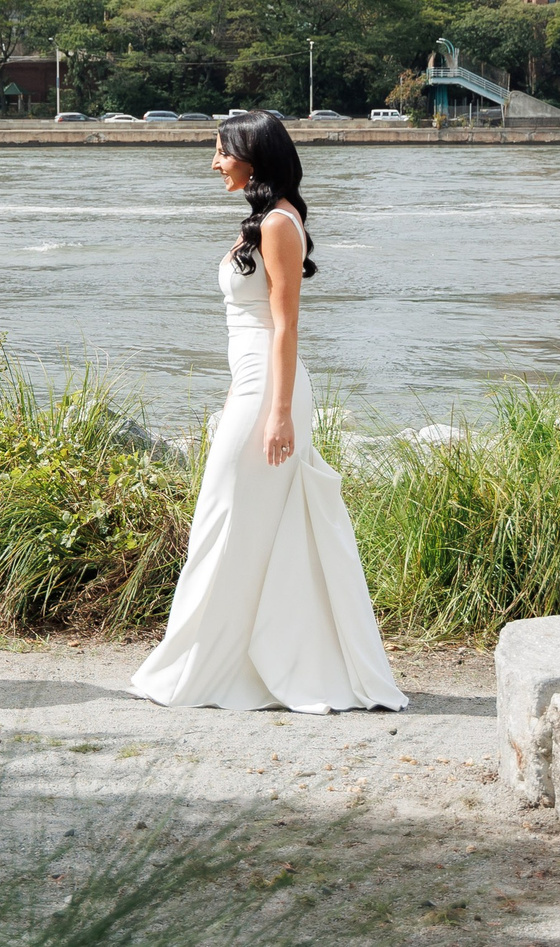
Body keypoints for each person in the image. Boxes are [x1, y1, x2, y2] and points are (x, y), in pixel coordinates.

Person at [129, 111, 406, 714]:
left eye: (222, 150)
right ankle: (229, 662)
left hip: (271, 390)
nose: (214, 161)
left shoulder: (280, 222)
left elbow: (285, 325)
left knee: (228, 517)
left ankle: (215, 668)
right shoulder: (260, 222)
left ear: (253, 155)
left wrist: (278, 412)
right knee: (237, 521)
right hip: (252, 386)